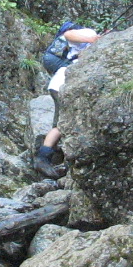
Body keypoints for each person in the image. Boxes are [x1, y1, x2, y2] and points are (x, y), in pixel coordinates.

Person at [34, 23, 99, 177]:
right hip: (62, 86)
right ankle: (43, 158)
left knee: (61, 124)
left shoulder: (78, 51)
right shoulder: (83, 34)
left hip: (60, 86)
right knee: (63, 124)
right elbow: (70, 34)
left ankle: (46, 156)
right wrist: (93, 38)